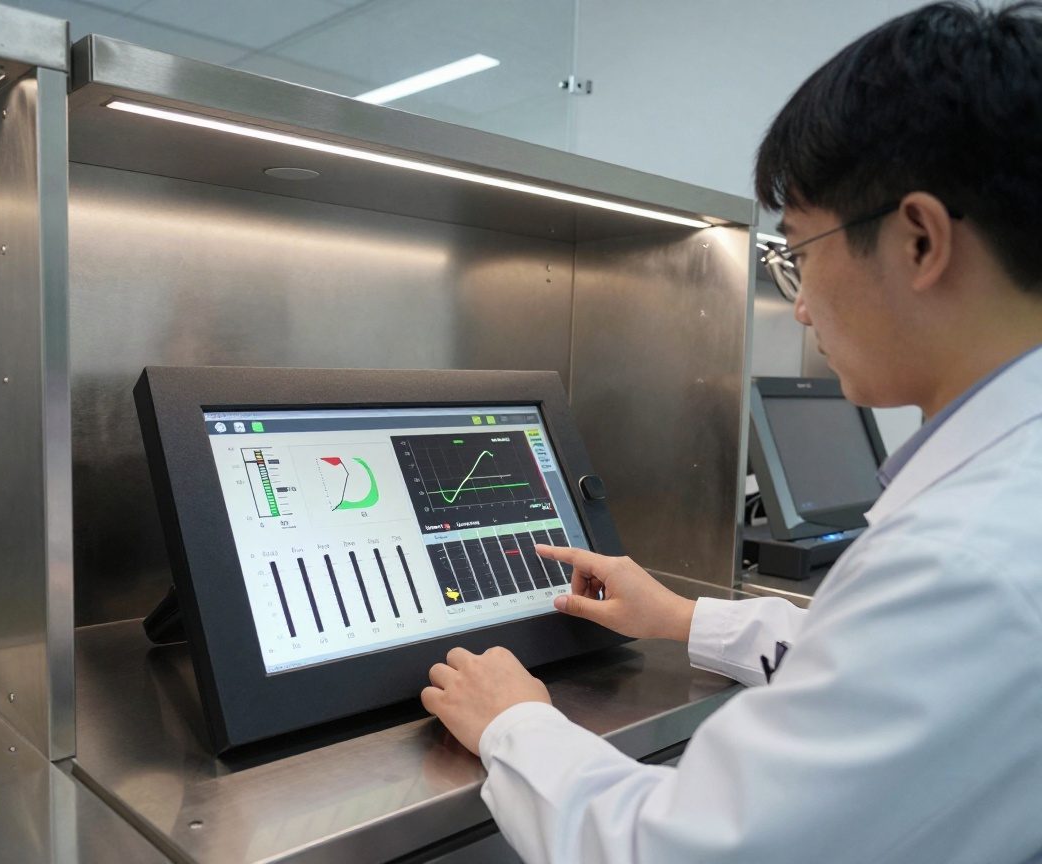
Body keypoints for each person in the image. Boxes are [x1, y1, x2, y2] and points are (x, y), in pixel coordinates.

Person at [420, 3, 1042, 862]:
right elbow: (877, 675)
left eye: (798, 250)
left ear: (920, 240)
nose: (798, 302)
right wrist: (682, 616)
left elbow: (678, 852)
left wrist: (513, 722)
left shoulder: (960, 561)